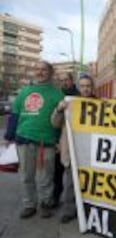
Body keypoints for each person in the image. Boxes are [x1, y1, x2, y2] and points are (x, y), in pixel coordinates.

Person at [4, 61, 64, 218]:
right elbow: (15, 114)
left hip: (47, 142)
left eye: (44, 69)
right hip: (24, 139)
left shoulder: (58, 94)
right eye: (37, 69)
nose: (40, 72)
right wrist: (9, 136)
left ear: (50, 72)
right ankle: (29, 204)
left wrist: (59, 141)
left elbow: (63, 120)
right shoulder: (24, 91)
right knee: (26, 176)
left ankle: (45, 203)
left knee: (46, 176)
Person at [51, 75, 96, 223]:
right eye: (82, 86)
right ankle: (69, 211)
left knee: (90, 184)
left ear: (92, 87)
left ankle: (88, 210)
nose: (86, 89)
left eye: (88, 85)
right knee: (69, 183)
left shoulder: (100, 104)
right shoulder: (69, 103)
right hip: (72, 152)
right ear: (79, 87)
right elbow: (55, 124)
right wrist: (59, 109)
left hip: (91, 153)